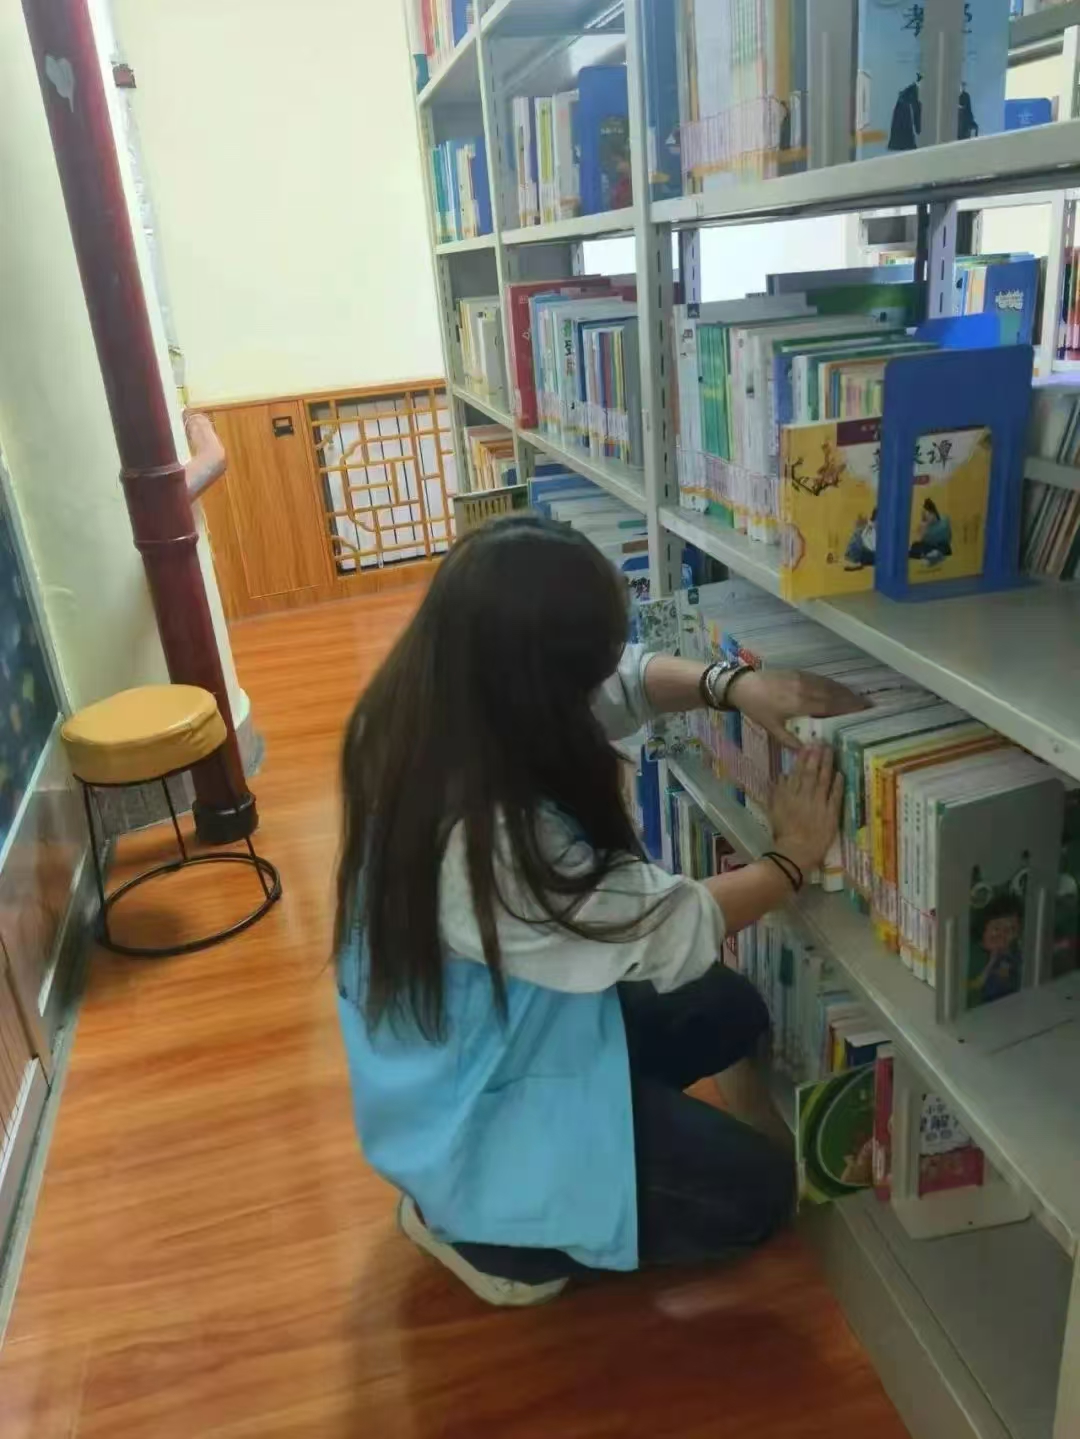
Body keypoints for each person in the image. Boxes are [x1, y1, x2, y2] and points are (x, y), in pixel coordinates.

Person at [335, 516, 865, 1307]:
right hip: (477, 1115)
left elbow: (623, 679)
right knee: (755, 1195)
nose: (602, 674)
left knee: (729, 1009)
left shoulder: (443, 699)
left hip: (507, 1033)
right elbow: (662, 928)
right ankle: (481, 1230)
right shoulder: (482, 838)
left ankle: (606, 1129)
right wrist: (790, 857)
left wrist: (730, 684)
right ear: (541, 676)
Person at [908, 498, 952, 565]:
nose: (926, 517)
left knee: (944, 547)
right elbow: (919, 540)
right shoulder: (924, 525)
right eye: (925, 516)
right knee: (915, 546)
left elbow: (948, 537)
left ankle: (932, 556)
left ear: (933, 513)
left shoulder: (944, 521)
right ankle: (928, 556)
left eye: (928, 514)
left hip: (941, 546)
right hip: (929, 547)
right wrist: (923, 528)